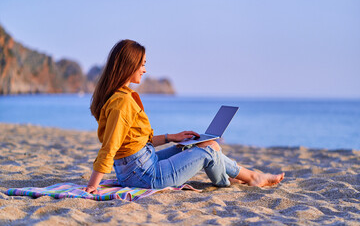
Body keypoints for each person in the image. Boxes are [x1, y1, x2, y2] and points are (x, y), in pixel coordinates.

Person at [83, 39, 284, 194]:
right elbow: (110, 147)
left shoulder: (122, 96)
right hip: (144, 175)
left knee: (207, 144)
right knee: (209, 153)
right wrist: (93, 186)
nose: (145, 70)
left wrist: (172, 137)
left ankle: (248, 176)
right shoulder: (122, 103)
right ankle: (241, 179)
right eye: (142, 64)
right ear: (129, 65)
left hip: (143, 164)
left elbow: (135, 140)